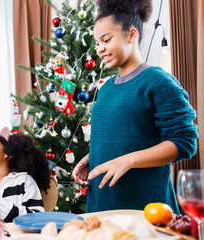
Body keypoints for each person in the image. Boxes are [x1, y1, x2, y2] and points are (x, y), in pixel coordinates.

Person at [72, 0, 198, 214]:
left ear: (131, 35)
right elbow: (115, 138)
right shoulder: (106, 89)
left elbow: (184, 142)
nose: (100, 49)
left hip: (146, 209)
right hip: (102, 206)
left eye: (107, 39)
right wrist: (91, 158)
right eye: (97, 43)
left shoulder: (158, 82)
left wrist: (128, 161)